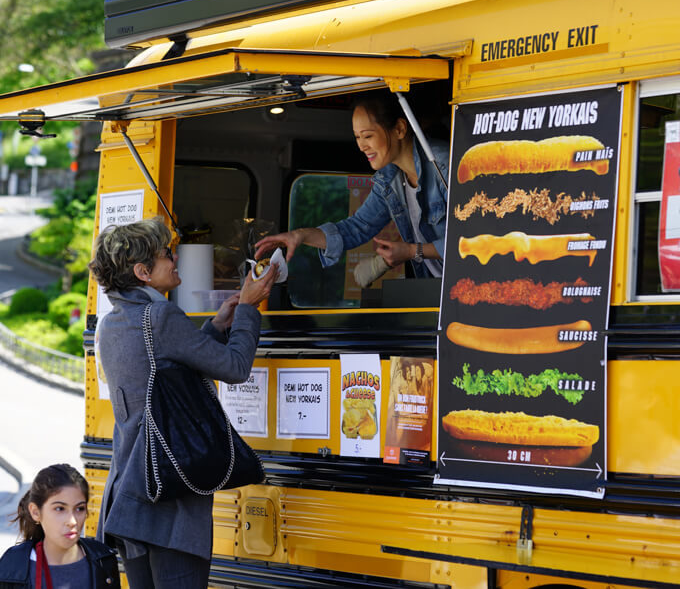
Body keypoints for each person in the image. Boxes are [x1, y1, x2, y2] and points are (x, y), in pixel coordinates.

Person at [87, 218, 276, 589]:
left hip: (129, 493)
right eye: (164, 254)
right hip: (168, 498)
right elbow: (235, 368)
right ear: (143, 272)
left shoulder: (112, 323)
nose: (174, 259)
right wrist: (250, 307)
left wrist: (217, 326)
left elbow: (163, 375)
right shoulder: (159, 316)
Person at [254, 93, 449, 279]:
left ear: (399, 129)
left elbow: (473, 237)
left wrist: (412, 251)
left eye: (368, 136)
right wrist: (300, 235)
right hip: (441, 289)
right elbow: (357, 228)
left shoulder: (445, 165)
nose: (361, 146)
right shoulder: (388, 180)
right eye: (357, 137)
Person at [0, 463, 120, 589]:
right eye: (60, 509)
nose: (72, 521)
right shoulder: (13, 565)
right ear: (35, 512)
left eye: (79, 508)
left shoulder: (104, 559)